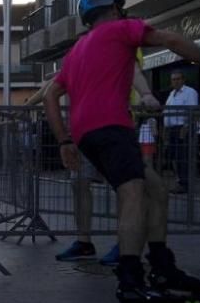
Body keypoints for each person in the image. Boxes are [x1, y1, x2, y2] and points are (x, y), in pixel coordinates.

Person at [43, 0, 200, 303]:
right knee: (132, 192)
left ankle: (162, 266)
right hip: (112, 126)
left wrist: (64, 140)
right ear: (115, 9)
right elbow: (173, 41)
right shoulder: (122, 29)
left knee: (155, 188)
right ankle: (131, 278)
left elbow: (51, 95)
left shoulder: (76, 51)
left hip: (87, 133)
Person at [25, 54, 160, 266]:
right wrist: (27, 105)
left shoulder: (117, 49)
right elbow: (52, 85)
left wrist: (146, 93)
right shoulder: (84, 56)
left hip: (116, 130)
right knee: (78, 182)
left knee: (129, 190)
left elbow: (133, 70)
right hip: (85, 133)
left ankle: (127, 246)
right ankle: (84, 242)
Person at [164, 71, 199, 194]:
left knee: (183, 156)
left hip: (182, 128)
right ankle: (180, 181)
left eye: (178, 79)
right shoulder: (171, 94)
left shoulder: (189, 92)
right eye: (173, 79)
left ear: (183, 80)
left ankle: (185, 184)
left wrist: (186, 127)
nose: (176, 81)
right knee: (176, 157)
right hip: (172, 129)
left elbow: (191, 110)